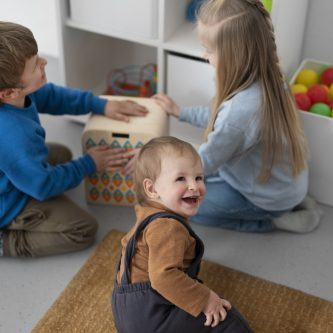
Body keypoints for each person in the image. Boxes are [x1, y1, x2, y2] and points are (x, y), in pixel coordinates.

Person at [153, 0, 322, 233]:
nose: (204, 55)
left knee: (183, 206)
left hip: (264, 198)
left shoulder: (240, 111)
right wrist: (181, 112)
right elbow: (219, 120)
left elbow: (205, 163)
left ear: (234, 57)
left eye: (209, 50)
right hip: (282, 184)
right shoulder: (272, 77)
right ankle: (291, 203)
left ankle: (271, 220)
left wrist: (164, 175)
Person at [0, 21, 147, 257]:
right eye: (35, 65)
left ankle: (33, 177)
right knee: (84, 229)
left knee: (60, 154)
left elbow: (52, 96)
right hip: (6, 205)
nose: (44, 62)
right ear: (9, 93)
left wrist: (100, 104)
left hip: (14, 171)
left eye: (38, 56)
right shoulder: (14, 134)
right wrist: (89, 164)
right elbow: (42, 186)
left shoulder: (15, 95)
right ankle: (5, 242)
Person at [112, 136, 253, 333]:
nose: (194, 186)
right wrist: (206, 299)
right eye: (181, 179)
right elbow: (163, 277)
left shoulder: (148, 214)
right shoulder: (168, 227)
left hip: (127, 311)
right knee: (226, 318)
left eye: (198, 177)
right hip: (150, 317)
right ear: (152, 189)